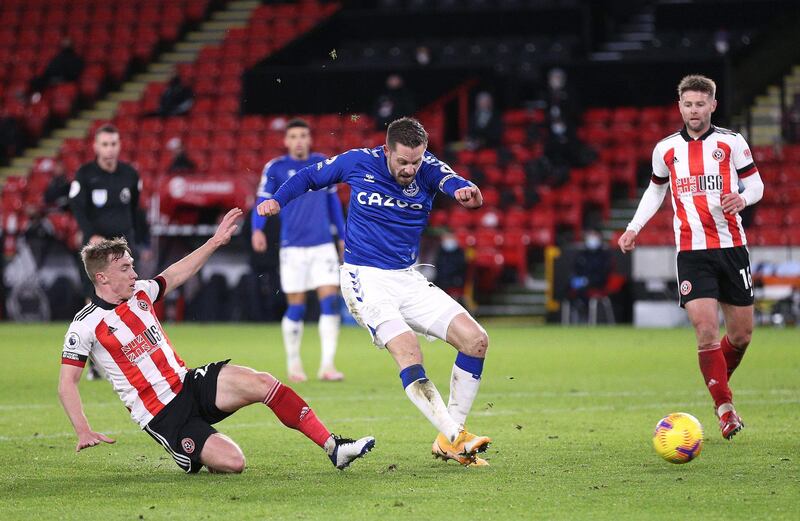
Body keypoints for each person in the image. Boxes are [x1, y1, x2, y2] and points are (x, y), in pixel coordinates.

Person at [58, 209, 375, 474]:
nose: (133, 273)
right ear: (101, 277)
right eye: (125, 268)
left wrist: (215, 242)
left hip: (187, 384)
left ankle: (334, 446)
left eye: (131, 266)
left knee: (262, 382)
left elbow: (177, 273)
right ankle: (187, 452)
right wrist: (83, 429)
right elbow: (67, 384)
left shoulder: (140, 293)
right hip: (163, 415)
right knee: (234, 463)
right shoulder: (85, 325)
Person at [258, 117, 492, 467]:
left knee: (476, 340)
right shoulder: (358, 162)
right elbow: (309, 177)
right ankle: (457, 438)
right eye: (402, 162)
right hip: (364, 278)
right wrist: (278, 201)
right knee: (408, 350)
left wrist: (468, 193)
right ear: (386, 151)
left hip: (406, 278)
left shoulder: (427, 168)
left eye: (416, 161)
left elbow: (455, 183)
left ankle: (449, 435)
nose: (410, 169)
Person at [618, 75, 764, 440]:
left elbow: (757, 184)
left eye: (701, 104)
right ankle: (724, 407)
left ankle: (716, 382)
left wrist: (743, 199)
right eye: (688, 104)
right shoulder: (666, 149)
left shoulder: (731, 143)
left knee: (742, 335)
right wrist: (634, 227)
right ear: (679, 106)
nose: (694, 110)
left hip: (732, 248)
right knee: (705, 330)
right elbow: (655, 192)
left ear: (712, 105)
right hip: (691, 252)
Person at [251, 119, 347, 382]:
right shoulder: (277, 168)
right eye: (294, 136)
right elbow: (262, 201)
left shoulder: (322, 164)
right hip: (292, 248)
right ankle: (294, 364)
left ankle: (327, 365)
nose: (299, 140)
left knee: (330, 301)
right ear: (286, 141)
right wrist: (257, 229)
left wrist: (343, 237)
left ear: (310, 138)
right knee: (296, 306)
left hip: (323, 245)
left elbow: (333, 203)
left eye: (303, 135)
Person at [68, 124, 151, 380]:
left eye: (113, 144)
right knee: (94, 302)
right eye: (104, 144)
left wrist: (143, 242)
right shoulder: (85, 175)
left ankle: (127, 357)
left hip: (125, 250)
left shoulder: (129, 174)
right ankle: (92, 361)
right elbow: (77, 207)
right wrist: (90, 233)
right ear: (95, 147)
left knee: (128, 300)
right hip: (95, 252)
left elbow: (136, 211)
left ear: (120, 145)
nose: (109, 149)